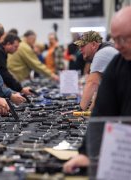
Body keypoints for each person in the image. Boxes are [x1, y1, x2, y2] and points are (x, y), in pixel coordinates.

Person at [63, 6, 131, 174]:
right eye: (115, 39)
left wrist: (80, 108)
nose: (118, 46)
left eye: (123, 39)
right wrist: (86, 152)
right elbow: (103, 107)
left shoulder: (106, 54)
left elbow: (92, 82)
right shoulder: (119, 62)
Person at [0, 23, 31, 95]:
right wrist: (20, 89)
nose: (16, 49)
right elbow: (3, 73)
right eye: (15, 46)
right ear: (8, 44)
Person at [75, 31, 118, 111]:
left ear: (94, 45)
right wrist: (90, 112)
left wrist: (80, 111)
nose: (80, 49)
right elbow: (101, 91)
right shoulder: (106, 49)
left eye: (83, 46)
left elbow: (92, 83)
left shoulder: (102, 54)